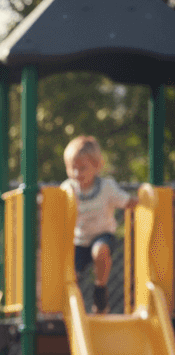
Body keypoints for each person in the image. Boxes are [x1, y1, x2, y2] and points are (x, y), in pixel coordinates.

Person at [61, 135, 136, 315]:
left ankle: (100, 291)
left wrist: (144, 202)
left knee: (100, 251)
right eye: (73, 168)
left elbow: (127, 202)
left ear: (97, 166)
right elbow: (55, 206)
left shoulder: (107, 187)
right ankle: (75, 310)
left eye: (83, 168)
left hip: (102, 235)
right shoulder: (68, 189)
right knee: (72, 275)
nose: (78, 173)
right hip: (79, 239)